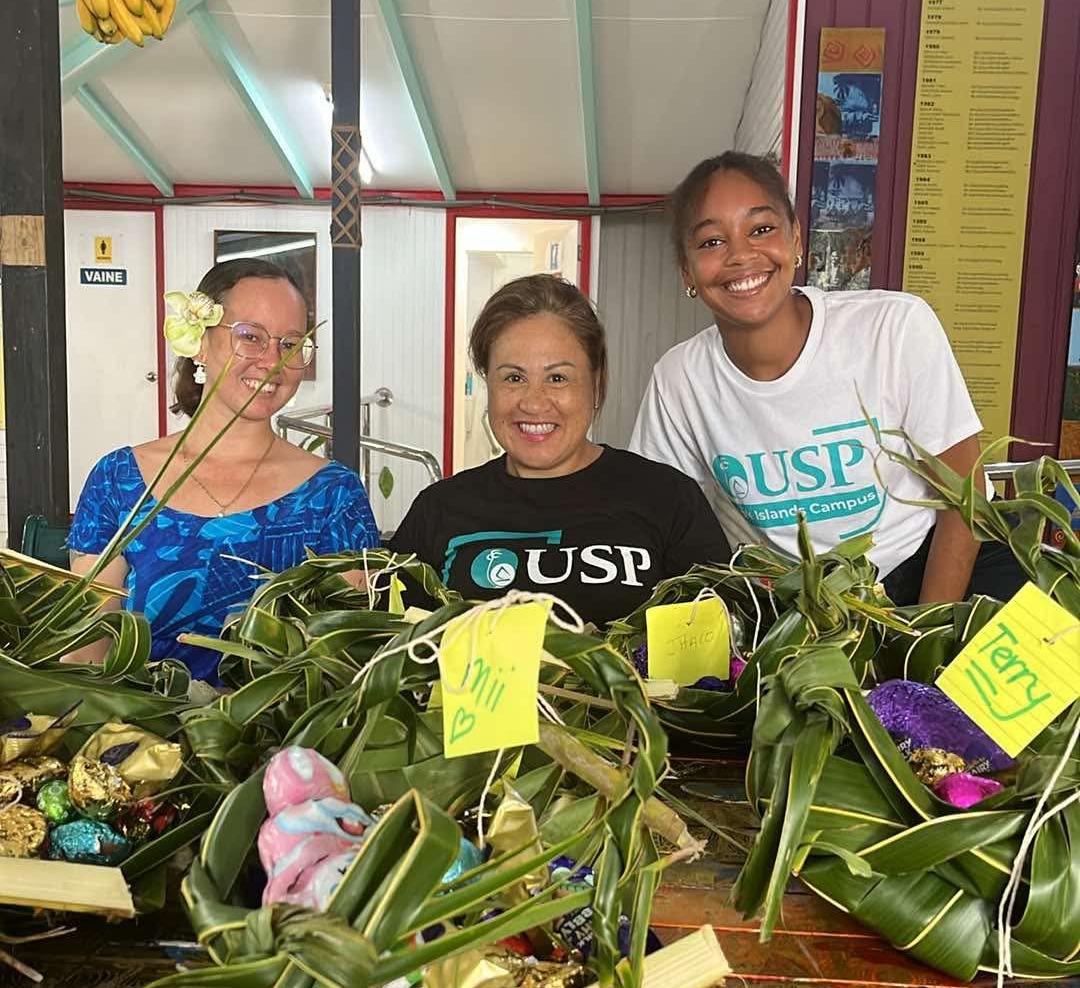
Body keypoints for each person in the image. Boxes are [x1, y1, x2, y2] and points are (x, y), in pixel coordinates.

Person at [630, 151, 1024, 606]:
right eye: (711, 242)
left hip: (949, 564)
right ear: (687, 271)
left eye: (761, 229)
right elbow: (655, 519)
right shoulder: (680, 381)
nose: (741, 255)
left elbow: (965, 497)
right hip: (813, 606)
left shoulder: (892, 327)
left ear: (797, 239)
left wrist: (921, 637)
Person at [68, 258, 379, 681]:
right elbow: (88, 650)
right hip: (137, 737)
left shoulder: (333, 495)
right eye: (250, 336)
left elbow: (346, 660)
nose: (273, 361)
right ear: (198, 341)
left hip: (281, 742)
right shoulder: (120, 480)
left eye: (290, 344)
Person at [390, 274, 731, 626]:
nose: (534, 403)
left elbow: (717, 641)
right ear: (488, 383)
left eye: (557, 378)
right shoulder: (440, 508)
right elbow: (388, 641)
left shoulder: (668, 498)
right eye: (513, 377)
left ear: (596, 384)